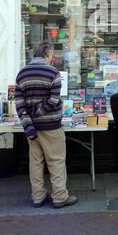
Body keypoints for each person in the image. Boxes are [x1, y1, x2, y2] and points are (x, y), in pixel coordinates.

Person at [15, 41, 78, 208]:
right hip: (51, 126)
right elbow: (53, 100)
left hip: (32, 128)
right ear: (48, 55)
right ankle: (59, 197)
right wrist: (37, 112)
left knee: (35, 163)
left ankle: (38, 197)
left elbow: (19, 105)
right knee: (56, 161)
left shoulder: (21, 74)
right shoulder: (53, 73)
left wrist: (29, 125)